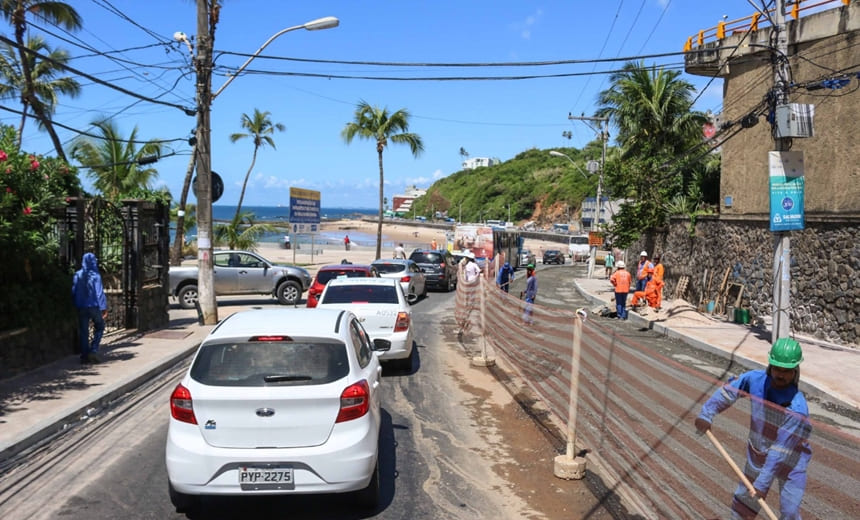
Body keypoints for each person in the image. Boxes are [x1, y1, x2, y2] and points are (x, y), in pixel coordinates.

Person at [695, 338, 811, 520]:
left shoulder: (797, 408)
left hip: (792, 460)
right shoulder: (754, 379)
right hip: (759, 451)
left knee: (789, 511)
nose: (780, 375)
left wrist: (763, 483)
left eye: (786, 371)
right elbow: (728, 392)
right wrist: (706, 414)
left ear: (795, 371)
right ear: (770, 365)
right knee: (744, 504)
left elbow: (780, 450)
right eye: (777, 368)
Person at [71, 252, 108, 364]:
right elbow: (99, 293)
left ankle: (84, 356)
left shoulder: (77, 275)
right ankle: (94, 349)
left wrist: (75, 303)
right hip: (94, 306)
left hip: (81, 306)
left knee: (83, 331)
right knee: (100, 326)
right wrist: (103, 307)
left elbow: (74, 290)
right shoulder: (96, 276)